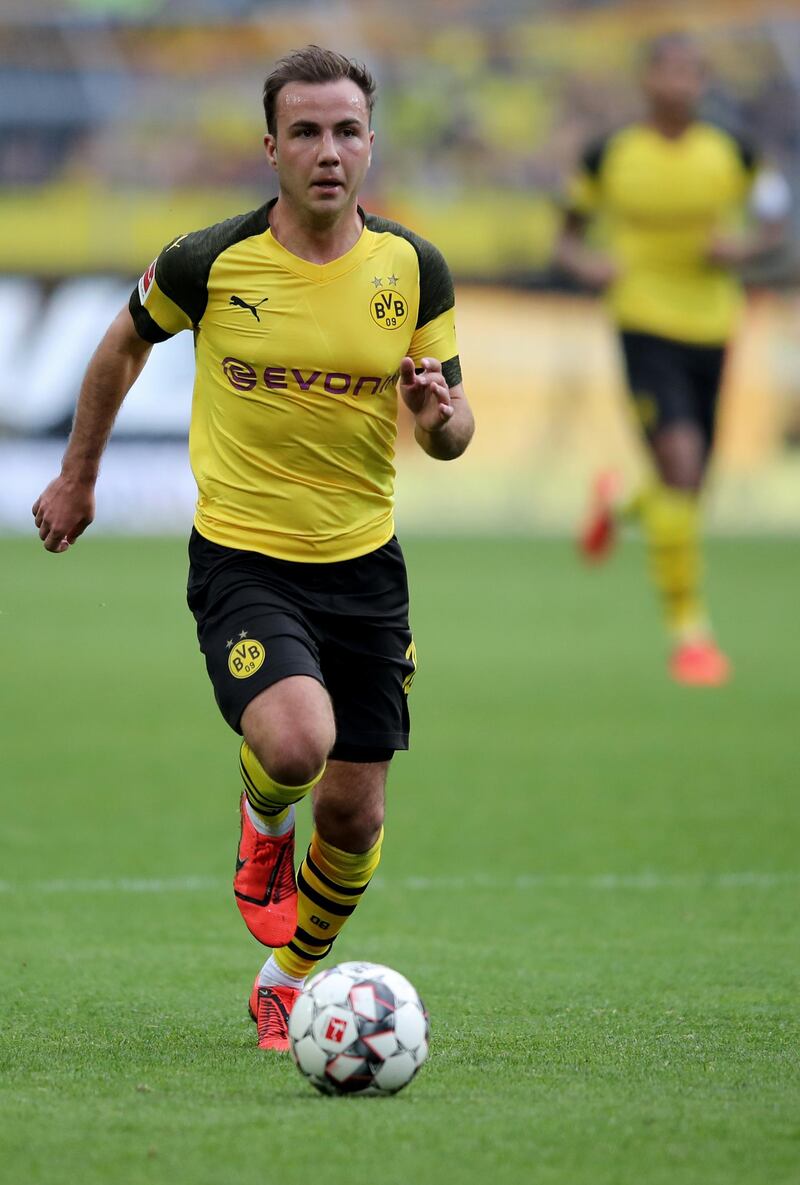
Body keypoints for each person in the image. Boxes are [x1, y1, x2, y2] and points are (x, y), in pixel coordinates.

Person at [32, 45, 474, 1050]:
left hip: (367, 568)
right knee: (293, 742)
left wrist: (436, 413)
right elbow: (121, 343)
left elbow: (452, 435)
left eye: (348, 131)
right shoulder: (209, 260)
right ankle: (263, 818)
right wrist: (78, 475)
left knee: (356, 818)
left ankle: (287, 979)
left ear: (371, 143)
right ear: (269, 145)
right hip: (245, 559)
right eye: (307, 132)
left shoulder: (412, 269)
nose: (329, 151)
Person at [556, 33, 789, 686]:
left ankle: (621, 503)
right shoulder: (611, 155)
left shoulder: (734, 153)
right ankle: (691, 634)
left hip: (715, 326)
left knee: (687, 488)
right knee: (682, 465)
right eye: (669, 71)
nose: (680, 84)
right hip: (643, 322)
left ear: (703, 81)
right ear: (647, 80)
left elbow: (774, 219)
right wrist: (591, 266)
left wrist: (743, 251)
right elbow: (566, 241)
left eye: (691, 73)